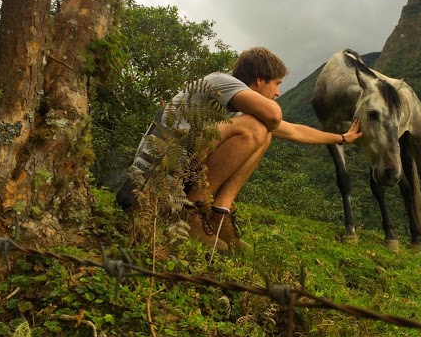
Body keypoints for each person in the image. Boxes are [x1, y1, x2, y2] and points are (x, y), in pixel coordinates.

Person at [116, 47, 362, 252]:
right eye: (276, 84)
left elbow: (295, 131)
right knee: (257, 128)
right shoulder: (218, 82)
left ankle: (218, 214)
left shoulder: (238, 108)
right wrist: (269, 122)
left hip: (174, 180)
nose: (277, 92)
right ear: (259, 80)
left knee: (263, 131)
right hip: (146, 189)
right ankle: (191, 209)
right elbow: (274, 115)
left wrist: (342, 137)